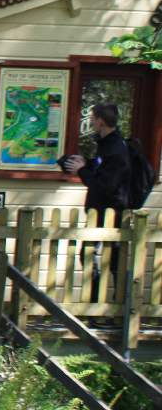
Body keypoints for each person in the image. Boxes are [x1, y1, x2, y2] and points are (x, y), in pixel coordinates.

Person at [63, 102, 130, 300]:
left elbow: (105, 185)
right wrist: (87, 163)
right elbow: (102, 170)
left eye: (92, 118)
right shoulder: (106, 144)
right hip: (100, 211)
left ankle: (108, 306)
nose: (90, 121)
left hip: (110, 212)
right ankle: (99, 304)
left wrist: (81, 171)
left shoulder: (116, 148)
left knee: (111, 260)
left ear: (100, 121)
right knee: (94, 256)